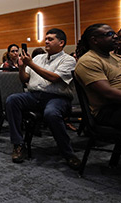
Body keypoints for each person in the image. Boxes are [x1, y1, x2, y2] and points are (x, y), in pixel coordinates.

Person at [5, 28, 81, 170]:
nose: (46, 41)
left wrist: (30, 64)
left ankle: (68, 153)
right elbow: (25, 79)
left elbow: (54, 78)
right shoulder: (38, 58)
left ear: (61, 43)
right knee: (12, 100)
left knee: (51, 113)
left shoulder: (68, 60)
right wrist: (22, 68)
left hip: (57, 98)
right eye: (46, 38)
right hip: (34, 96)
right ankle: (18, 144)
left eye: (51, 39)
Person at [75, 24, 121, 131]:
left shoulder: (118, 58)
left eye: (114, 33)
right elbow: (108, 92)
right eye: (109, 34)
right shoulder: (89, 61)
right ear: (94, 40)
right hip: (109, 110)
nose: (115, 37)